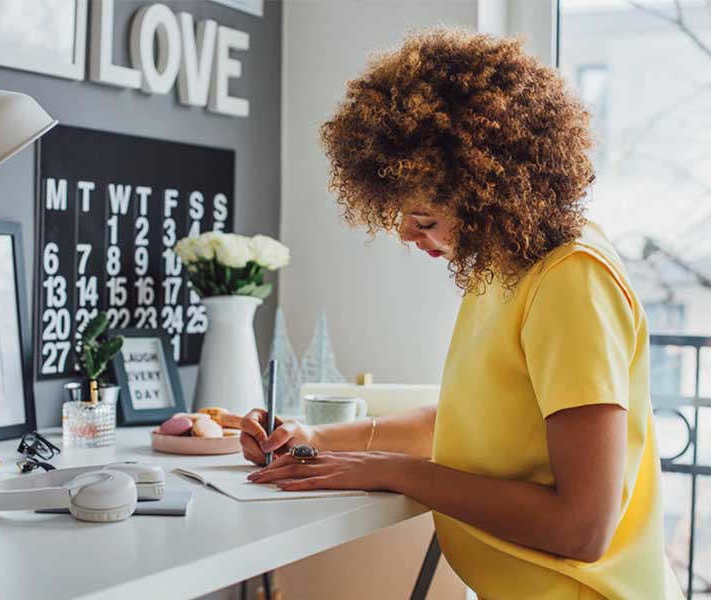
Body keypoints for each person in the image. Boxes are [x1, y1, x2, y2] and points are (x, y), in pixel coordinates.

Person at [240, 28, 682, 599]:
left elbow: (583, 528)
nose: (404, 233)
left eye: (424, 218)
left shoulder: (571, 281)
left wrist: (396, 473)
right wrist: (312, 438)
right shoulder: (503, 266)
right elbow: (463, 428)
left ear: (491, 194)